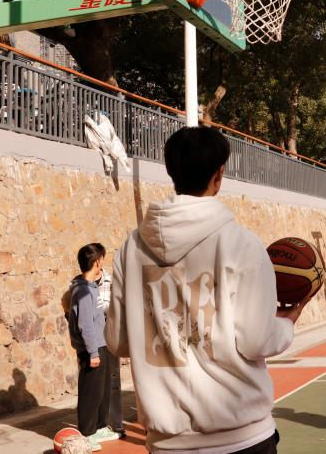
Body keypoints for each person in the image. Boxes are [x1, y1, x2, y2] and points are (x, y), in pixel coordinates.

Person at [106, 126, 308, 454]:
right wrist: (285, 323)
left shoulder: (131, 250)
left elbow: (118, 341)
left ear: (171, 171)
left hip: (168, 443)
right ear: (219, 175)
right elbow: (256, 340)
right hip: (242, 437)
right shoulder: (242, 244)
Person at [67, 243, 117, 452]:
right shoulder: (83, 291)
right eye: (102, 260)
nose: (102, 264)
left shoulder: (91, 287)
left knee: (102, 391)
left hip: (101, 344)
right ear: (97, 262)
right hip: (92, 349)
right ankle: (87, 433)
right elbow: (85, 325)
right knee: (90, 393)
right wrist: (92, 352)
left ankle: (99, 427)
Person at [96, 267, 125, 438]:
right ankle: (98, 426)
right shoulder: (80, 283)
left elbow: (116, 307)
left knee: (113, 378)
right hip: (93, 336)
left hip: (109, 331)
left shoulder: (111, 281)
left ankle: (117, 425)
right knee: (94, 381)